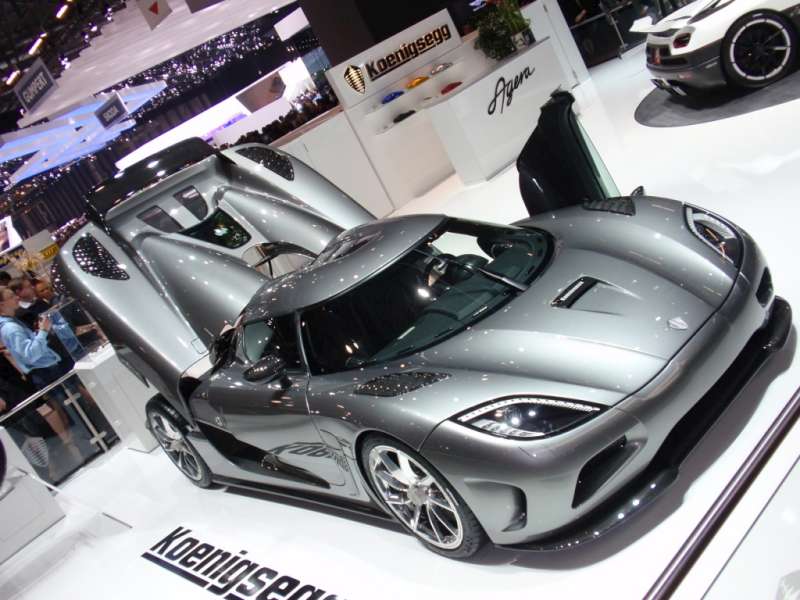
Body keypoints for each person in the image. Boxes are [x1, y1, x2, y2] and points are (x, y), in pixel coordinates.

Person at [0, 288, 68, 390]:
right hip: (45, 372)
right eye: (11, 297)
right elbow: (30, 355)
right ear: (1, 305)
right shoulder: (11, 328)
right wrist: (43, 331)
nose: (17, 297)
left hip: (46, 370)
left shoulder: (12, 322)